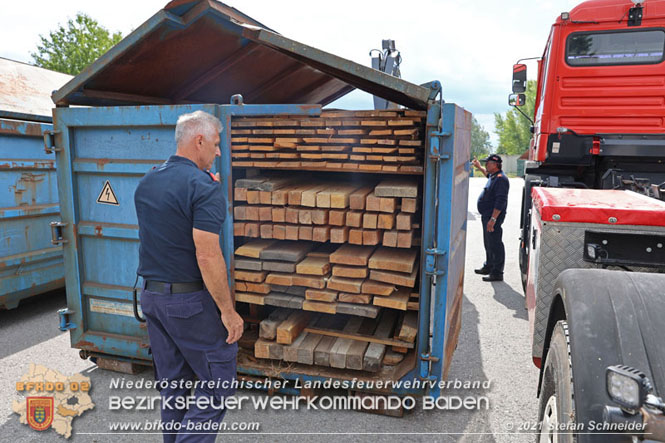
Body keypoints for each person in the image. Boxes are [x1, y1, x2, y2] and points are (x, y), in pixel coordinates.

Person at [134, 110, 244, 442]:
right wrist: (227, 311)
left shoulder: (147, 181)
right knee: (217, 382)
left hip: (152, 299)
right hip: (188, 304)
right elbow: (207, 253)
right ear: (199, 141)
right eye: (216, 143)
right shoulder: (203, 187)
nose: (218, 151)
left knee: (174, 389)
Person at [471, 154, 509, 282]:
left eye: (488, 163)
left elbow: (500, 201)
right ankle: (489, 266)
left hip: (493, 216)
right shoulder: (493, 176)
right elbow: (487, 175)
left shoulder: (501, 179)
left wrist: (493, 219)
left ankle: (497, 272)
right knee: (488, 242)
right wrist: (479, 167)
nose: (486, 165)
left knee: (495, 243)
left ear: (495, 164)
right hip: (487, 215)